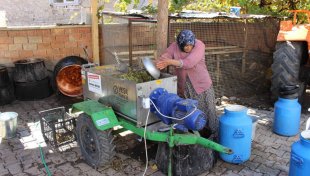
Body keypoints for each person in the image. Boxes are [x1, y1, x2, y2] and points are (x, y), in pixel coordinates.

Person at [155, 29, 218, 175]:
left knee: (207, 113)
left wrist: (169, 62)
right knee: (188, 115)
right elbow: (166, 55)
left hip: (201, 86)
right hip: (185, 87)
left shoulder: (200, 45)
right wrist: (162, 59)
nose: (188, 47)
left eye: (190, 45)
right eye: (186, 46)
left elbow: (189, 63)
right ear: (180, 44)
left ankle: (212, 143)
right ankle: (194, 144)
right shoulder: (174, 46)